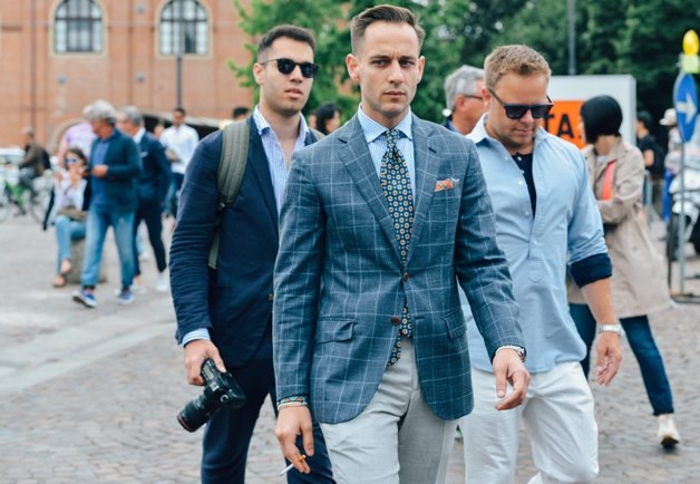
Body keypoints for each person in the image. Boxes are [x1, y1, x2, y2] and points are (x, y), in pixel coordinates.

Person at [273, 6, 529, 483]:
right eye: (381, 61)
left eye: (406, 62)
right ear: (354, 67)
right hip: (351, 369)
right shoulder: (315, 164)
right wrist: (290, 397)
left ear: (421, 67)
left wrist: (506, 343)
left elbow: (482, 263)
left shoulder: (455, 153)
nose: (395, 74)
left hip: (437, 365)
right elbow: (294, 287)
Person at [168, 25, 334, 484]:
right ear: (260, 71)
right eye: (286, 65)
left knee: (315, 469)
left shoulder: (329, 155)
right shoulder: (220, 151)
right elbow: (187, 249)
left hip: (308, 341)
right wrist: (195, 334)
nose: (297, 76)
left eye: (307, 68)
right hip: (235, 340)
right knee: (223, 465)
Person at [458, 45, 622, 483]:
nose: (528, 120)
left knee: (578, 471)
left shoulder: (568, 158)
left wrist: (608, 326)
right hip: (481, 350)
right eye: (516, 109)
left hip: (556, 343)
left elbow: (588, 249)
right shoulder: (458, 160)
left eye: (540, 109)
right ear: (486, 95)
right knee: (489, 477)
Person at [568, 95, 679, 447]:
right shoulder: (580, 157)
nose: (579, 126)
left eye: (584, 119)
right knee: (577, 348)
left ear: (597, 123)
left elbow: (618, 208)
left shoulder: (630, 157)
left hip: (624, 267)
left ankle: (665, 417)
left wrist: (581, 209)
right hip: (585, 268)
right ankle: (573, 421)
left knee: (643, 344)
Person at [71, 100, 141, 308]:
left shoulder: (126, 142)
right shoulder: (96, 142)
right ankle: (87, 289)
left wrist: (109, 170)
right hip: (97, 204)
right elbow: (96, 167)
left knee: (125, 250)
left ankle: (127, 287)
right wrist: (88, 171)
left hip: (121, 205)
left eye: (92, 121)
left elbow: (136, 169)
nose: (90, 125)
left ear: (102, 121)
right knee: (93, 246)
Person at [116, 106, 171, 293]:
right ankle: (135, 277)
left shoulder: (152, 143)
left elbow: (165, 173)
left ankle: (162, 272)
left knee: (155, 238)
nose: (118, 126)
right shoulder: (124, 143)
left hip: (151, 199)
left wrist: (161, 198)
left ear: (131, 123)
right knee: (129, 239)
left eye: (121, 122)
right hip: (130, 200)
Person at [44, 147, 90, 288]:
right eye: (67, 160)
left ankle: (60, 273)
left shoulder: (87, 179)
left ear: (82, 161)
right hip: (67, 220)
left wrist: (76, 186)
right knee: (61, 222)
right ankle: (66, 260)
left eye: (74, 160)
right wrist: (59, 186)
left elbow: (81, 207)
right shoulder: (62, 178)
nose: (70, 164)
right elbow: (59, 208)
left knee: (63, 231)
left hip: (84, 221)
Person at [160, 107, 199, 218]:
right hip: (172, 169)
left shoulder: (190, 133)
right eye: (175, 117)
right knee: (171, 196)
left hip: (185, 169)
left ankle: (182, 217)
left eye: (179, 117)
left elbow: (195, 151)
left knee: (184, 196)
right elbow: (161, 149)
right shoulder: (167, 133)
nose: (177, 119)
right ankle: (175, 217)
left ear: (183, 118)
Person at [442, 65, 486, 135]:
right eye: (485, 98)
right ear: (462, 102)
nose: (490, 104)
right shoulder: (434, 139)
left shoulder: (494, 140)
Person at [636, 110, 665, 214]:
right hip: (650, 181)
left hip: (650, 181)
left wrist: (634, 163)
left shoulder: (646, 141)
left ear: (641, 123)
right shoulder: (647, 140)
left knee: (646, 209)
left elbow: (649, 160)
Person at [18, 126, 47, 200]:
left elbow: (29, 158)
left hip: (35, 169)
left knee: (23, 177)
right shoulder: (28, 146)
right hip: (29, 168)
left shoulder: (35, 146)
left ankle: (34, 192)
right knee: (19, 178)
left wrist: (20, 164)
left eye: (25, 137)